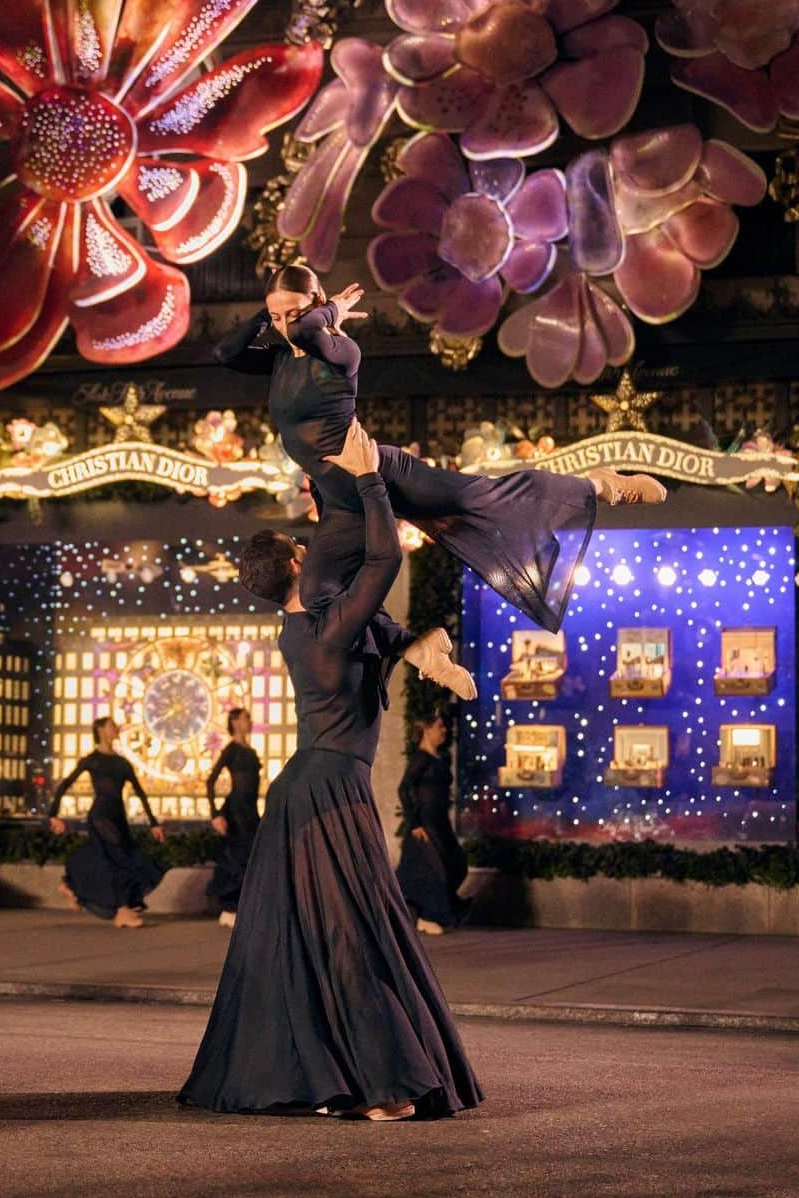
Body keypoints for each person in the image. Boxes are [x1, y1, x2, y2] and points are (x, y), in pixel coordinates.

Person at [179, 419, 483, 1120]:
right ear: (293, 569)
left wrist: (424, 652)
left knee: (326, 940)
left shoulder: (313, 626)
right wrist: (372, 477)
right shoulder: (322, 630)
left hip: (318, 789)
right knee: (351, 936)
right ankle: (383, 1086)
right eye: (300, 549)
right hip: (324, 794)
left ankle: (339, 1076)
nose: (312, 554)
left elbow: (387, 631)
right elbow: (382, 564)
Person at [216, 263, 665, 635]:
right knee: (316, 592)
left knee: (480, 496)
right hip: (340, 501)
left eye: (293, 314)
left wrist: (329, 310)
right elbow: (226, 352)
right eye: (276, 318)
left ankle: (599, 486)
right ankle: (410, 649)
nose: (284, 326)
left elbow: (313, 333)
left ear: (315, 305)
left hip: (381, 473)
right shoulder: (277, 360)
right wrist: (269, 312)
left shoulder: (341, 351)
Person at [48, 717, 168, 929]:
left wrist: (154, 823)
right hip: (101, 816)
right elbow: (65, 784)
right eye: (112, 725)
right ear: (100, 730)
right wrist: (53, 815)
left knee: (115, 858)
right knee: (118, 859)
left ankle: (70, 886)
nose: (116, 728)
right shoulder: (92, 760)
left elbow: (140, 793)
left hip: (118, 816)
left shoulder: (122, 763)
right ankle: (122, 910)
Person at [396, 716, 469, 936]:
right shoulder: (421, 759)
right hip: (426, 823)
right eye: (440, 726)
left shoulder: (437, 758)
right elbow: (403, 788)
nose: (444, 730)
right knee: (435, 869)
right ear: (427, 730)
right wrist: (415, 823)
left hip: (439, 821)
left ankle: (431, 911)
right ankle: (427, 917)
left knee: (456, 863)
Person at [206, 708, 262, 928]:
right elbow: (210, 781)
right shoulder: (231, 749)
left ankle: (240, 907)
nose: (250, 721)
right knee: (238, 856)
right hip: (236, 809)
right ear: (235, 722)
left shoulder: (249, 750)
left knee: (252, 856)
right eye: (247, 718)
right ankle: (229, 908)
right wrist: (215, 814)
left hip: (250, 810)